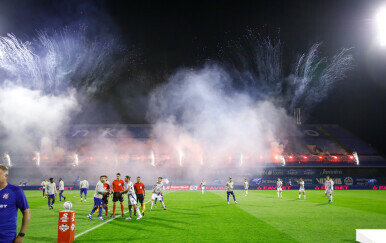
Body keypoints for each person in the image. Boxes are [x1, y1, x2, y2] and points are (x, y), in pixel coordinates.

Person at [0, 164, 30, 243]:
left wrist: (21, 235)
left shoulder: (16, 191)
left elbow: (26, 212)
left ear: (6, 176)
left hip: (7, 238)